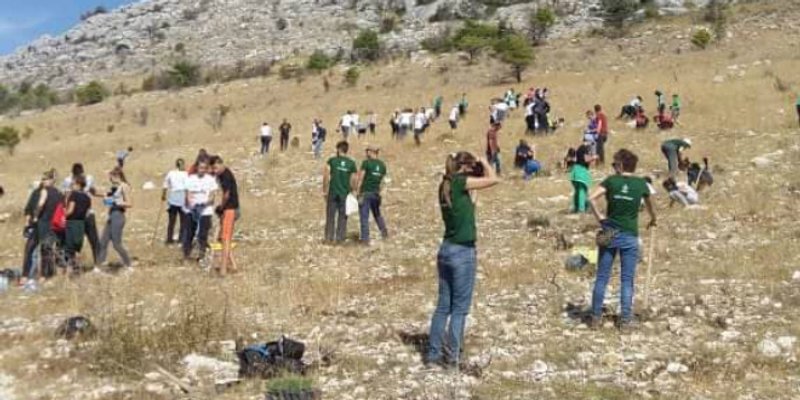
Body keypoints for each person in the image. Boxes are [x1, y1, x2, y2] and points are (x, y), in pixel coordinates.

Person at [425, 152, 500, 369]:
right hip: (463, 252)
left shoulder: (446, 186)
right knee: (459, 310)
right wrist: (484, 161)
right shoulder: (459, 182)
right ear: (465, 167)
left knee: (442, 307)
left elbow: (468, 208)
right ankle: (452, 358)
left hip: (446, 250)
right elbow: (494, 179)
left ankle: (433, 354)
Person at [588, 149, 657, 329]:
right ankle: (625, 319)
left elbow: (591, 198)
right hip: (629, 235)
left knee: (602, 277)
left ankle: (595, 318)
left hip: (609, 231)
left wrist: (600, 218)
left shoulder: (611, 181)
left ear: (620, 165)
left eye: (614, 163)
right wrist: (653, 219)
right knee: (627, 279)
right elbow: (650, 206)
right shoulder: (641, 184)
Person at [62, 163, 100, 265]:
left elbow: (93, 191)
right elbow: (92, 191)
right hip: (82, 214)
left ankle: (74, 265)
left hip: (78, 215)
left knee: (81, 240)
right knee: (83, 240)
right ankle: (77, 265)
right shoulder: (72, 181)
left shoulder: (73, 181)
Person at [97, 167, 133, 268]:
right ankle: (99, 265)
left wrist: (117, 202)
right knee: (103, 241)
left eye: (111, 177)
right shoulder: (114, 187)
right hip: (111, 215)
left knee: (117, 243)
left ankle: (128, 264)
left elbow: (130, 203)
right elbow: (104, 194)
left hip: (118, 215)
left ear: (116, 176)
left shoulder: (124, 186)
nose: (110, 179)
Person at [323, 141, 358, 243]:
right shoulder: (351, 163)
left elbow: (326, 176)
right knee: (343, 216)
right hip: (345, 193)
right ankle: (340, 238)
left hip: (333, 191)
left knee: (330, 216)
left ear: (338, 149)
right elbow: (354, 179)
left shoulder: (332, 161)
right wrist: (353, 190)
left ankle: (329, 237)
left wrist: (325, 190)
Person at [183, 160, 217, 262]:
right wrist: (192, 205)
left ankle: (201, 255)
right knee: (189, 232)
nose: (202, 170)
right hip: (191, 209)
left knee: (203, 233)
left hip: (205, 210)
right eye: (200, 168)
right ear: (197, 168)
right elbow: (188, 194)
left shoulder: (210, 180)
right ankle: (186, 254)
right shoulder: (190, 179)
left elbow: (212, 195)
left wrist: (204, 205)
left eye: (204, 168)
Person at [211, 156, 239, 275]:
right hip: (227, 209)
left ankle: (223, 269)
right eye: (213, 169)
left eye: (216, 168)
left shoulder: (226, 175)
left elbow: (226, 195)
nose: (214, 171)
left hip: (230, 209)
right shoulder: (220, 175)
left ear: (221, 163)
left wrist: (221, 207)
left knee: (226, 239)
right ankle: (233, 265)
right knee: (222, 238)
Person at [33, 170, 63, 279]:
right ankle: (52, 272)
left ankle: (44, 275)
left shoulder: (45, 191)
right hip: (55, 223)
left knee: (44, 249)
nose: (43, 181)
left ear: (51, 180)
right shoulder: (59, 193)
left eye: (45, 179)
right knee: (50, 248)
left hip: (45, 222)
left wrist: (35, 215)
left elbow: (41, 204)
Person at [357, 145, 388, 244]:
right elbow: (383, 181)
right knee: (377, 214)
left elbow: (361, 178)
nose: (366, 153)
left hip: (366, 192)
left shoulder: (366, 163)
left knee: (364, 216)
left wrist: (357, 191)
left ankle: (365, 239)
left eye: (367, 151)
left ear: (371, 152)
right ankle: (384, 233)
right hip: (376, 194)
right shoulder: (382, 165)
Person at [64, 176, 91, 273]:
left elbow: (70, 210)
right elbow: (87, 212)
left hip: (72, 223)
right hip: (81, 224)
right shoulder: (87, 197)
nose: (71, 185)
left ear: (78, 185)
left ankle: (69, 270)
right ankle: (78, 270)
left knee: (69, 248)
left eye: (73, 184)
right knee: (77, 249)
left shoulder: (73, 195)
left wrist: (62, 216)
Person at [20, 180, 42, 286]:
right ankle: (33, 275)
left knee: (31, 251)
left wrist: (27, 224)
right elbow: (29, 210)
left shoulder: (35, 194)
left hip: (36, 226)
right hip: (38, 226)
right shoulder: (37, 194)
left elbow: (28, 211)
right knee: (34, 252)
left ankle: (29, 275)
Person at [162, 159, 188, 244]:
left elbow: (165, 184)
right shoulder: (185, 174)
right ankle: (181, 239)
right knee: (183, 220)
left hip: (173, 197)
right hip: (182, 197)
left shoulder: (171, 173)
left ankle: (169, 239)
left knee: (172, 220)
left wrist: (163, 195)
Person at [569, 139, 596, 213]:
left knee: (578, 191)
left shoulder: (580, 148)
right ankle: (581, 209)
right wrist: (594, 158)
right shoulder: (585, 148)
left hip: (575, 171)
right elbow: (586, 159)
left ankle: (576, 208)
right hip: (581, 171)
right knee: (582, 191)